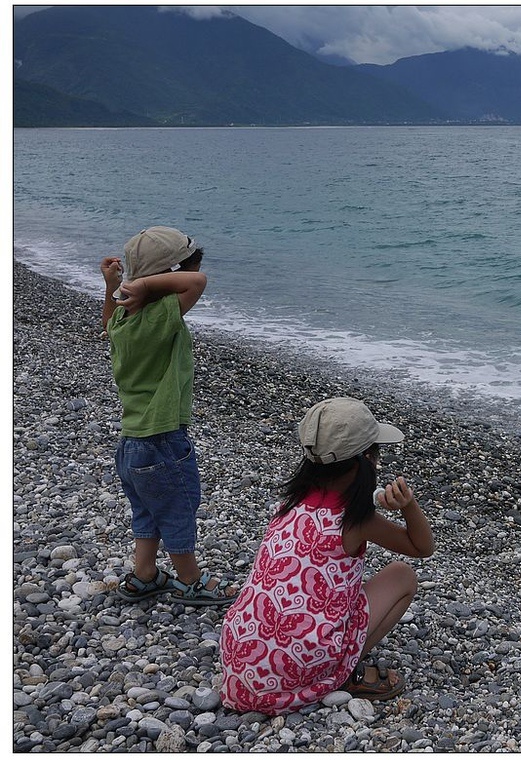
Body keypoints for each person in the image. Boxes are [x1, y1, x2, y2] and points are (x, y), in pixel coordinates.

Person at [220, 397, 435, 712]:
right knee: (402, 575)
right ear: (366, 461)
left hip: (241, 662)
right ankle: (342, 670)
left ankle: (315, 661)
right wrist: (408, 506)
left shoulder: (289, 506)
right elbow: (422, 548)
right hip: (297, 668)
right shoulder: (356, 520)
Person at [100, 226, 236, 606]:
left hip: (131, 443)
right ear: (167, 278)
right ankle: (190, 579)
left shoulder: (123, 321)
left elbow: (106, 322)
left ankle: (145, 573)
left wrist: (114, 286)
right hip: (162, 439)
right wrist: (142, 287)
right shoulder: (161, 315)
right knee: (177, 507)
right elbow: (197, 281)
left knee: (147, 510)